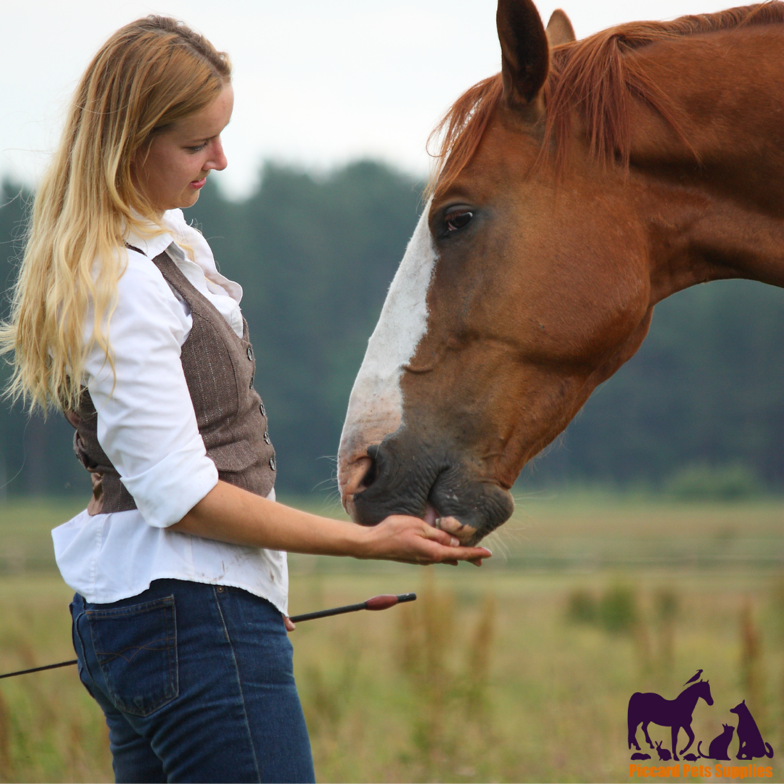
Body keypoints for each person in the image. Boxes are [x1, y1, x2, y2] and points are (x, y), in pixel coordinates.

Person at [0, 16, 491, 784]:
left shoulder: (162, 251)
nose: (220, 161)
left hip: (178, 618)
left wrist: (245, 596)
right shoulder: (127, 283)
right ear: (130, 143)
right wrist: (365, 543)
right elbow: (182, 497)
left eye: (220, 137)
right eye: (197, 144)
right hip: (191, 625)